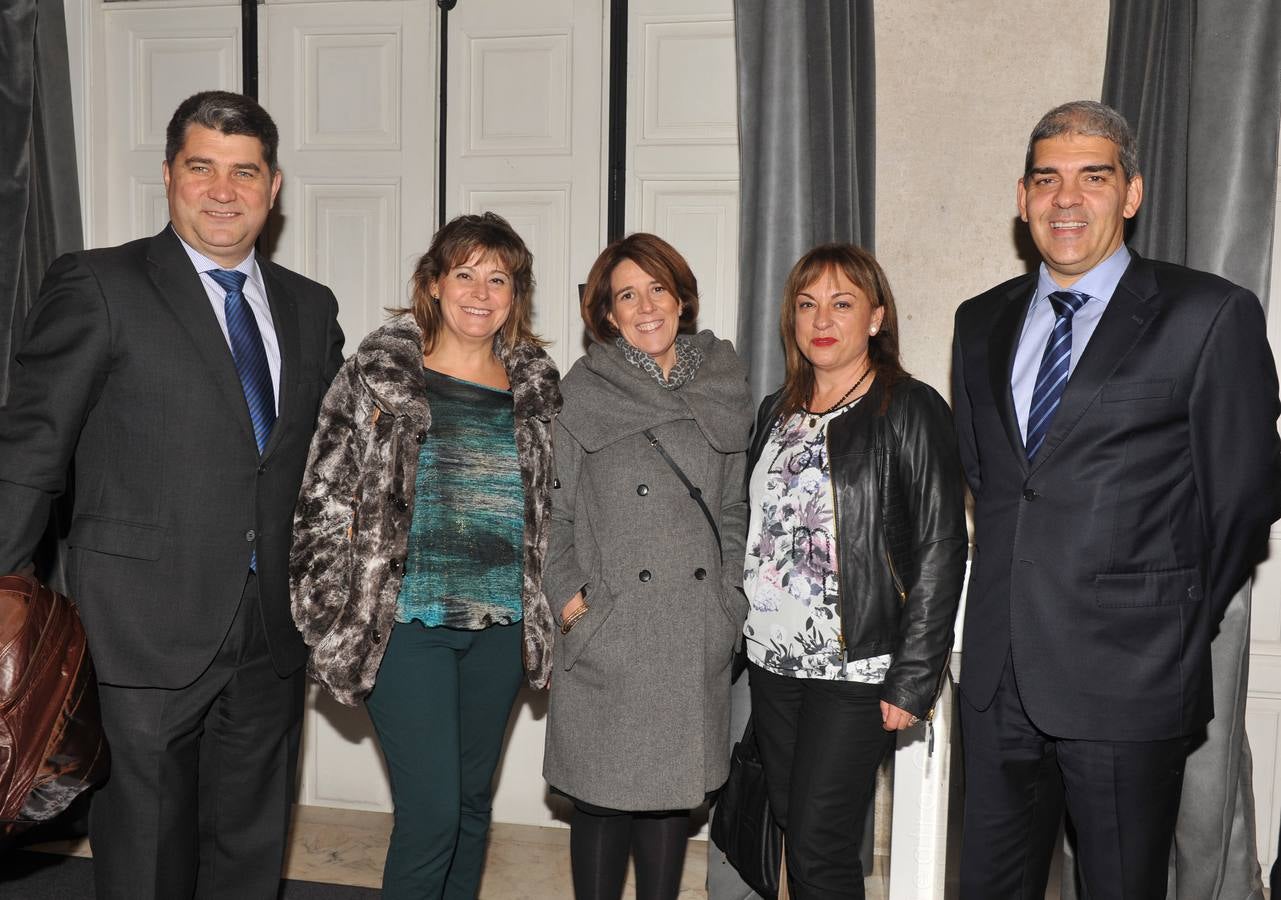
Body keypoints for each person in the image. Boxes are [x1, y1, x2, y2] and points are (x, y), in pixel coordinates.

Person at [0, 90, 344, 898]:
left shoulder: (310, 305)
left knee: (249, 850)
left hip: (271, 631)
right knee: (148, 854)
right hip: (139, 627)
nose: (223, 191)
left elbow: (327, 464)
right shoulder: (99, 284)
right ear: (168, 175)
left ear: (273, 186)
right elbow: (30, 449)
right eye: (201, 167)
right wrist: (4, 592)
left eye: (244, 172)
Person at [951, 100, 1281, 900]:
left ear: (1130, 193)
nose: (1065, 199)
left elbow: (1243, 500)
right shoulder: (978, 321)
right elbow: (994, 483)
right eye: (1045, 179)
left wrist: (1169, 626)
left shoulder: (1207, 314)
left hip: (1129, 677)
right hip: (998, 680)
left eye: (1091, 177)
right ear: (1022, 197)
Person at [290, 211, 560, 898]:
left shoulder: (537, 388)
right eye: (464, 274)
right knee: (432, 813)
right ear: (434, 283)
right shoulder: (377, 377)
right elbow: (323, 497)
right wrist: (327, 615)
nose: (480, 292)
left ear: (515, 294)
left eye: (497, 279)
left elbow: (555, 505)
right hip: (405, 626)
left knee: (469, 808)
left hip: (500, 627)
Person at [741, 243, 966, 899]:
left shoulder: (910, 408)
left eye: (841, 303)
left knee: (820, 845)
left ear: (875, 317)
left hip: (857, 666)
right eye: (807, 303)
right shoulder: (775, 411)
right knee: (794, 824)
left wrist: (915, 674)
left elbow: (941, 545)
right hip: (771, 658)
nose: (821, 319)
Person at [543, 232, 752, 900]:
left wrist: (728, 601)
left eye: (657, 289)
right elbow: (552, 514)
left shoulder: (723, 385)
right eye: (626, 296)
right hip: (610, 632)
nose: (645, 307)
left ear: (681, 298)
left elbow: (734, 507)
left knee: (668, 805)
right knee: (601, 804)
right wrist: (571, 602)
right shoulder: (581, 394)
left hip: (691, 630)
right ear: (607, 314)